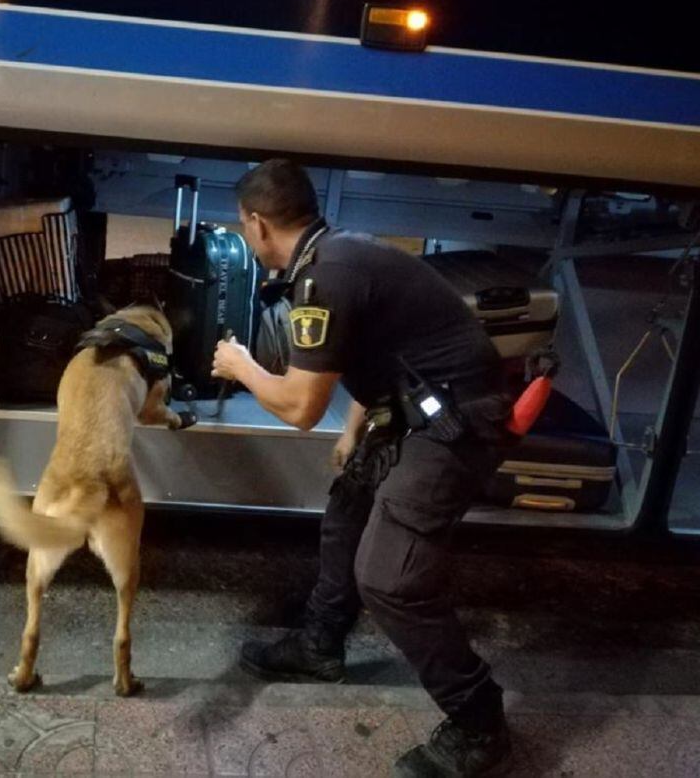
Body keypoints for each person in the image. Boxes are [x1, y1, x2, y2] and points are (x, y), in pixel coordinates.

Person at [212, 159, 516, 777]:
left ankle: (480, 723)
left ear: (258, 222)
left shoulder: (323, 278)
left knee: (392, 579)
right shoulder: (336, 255)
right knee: (348, 506)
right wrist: (358, 427)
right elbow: (383, 350)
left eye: (244, 228)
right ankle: (320, 645)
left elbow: (299, 406)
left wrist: (240, 365)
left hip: (457, 423)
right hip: (418, 409)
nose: (246, 237)